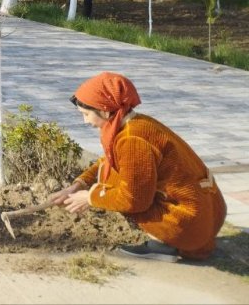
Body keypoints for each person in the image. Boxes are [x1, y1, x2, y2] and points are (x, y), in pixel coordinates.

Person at [49, 71, 226, 262]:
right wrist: (77, 185)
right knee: (114, 179)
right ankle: (167, 238)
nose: (85, 121)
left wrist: (90, 198)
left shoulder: (132, 140)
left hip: (190, 222)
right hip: (207, 212)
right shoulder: (137, 123)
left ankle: (162, 246)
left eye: (86, 114)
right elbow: (107, 163)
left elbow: (134, 200)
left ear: (105, 109)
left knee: (119, 189)